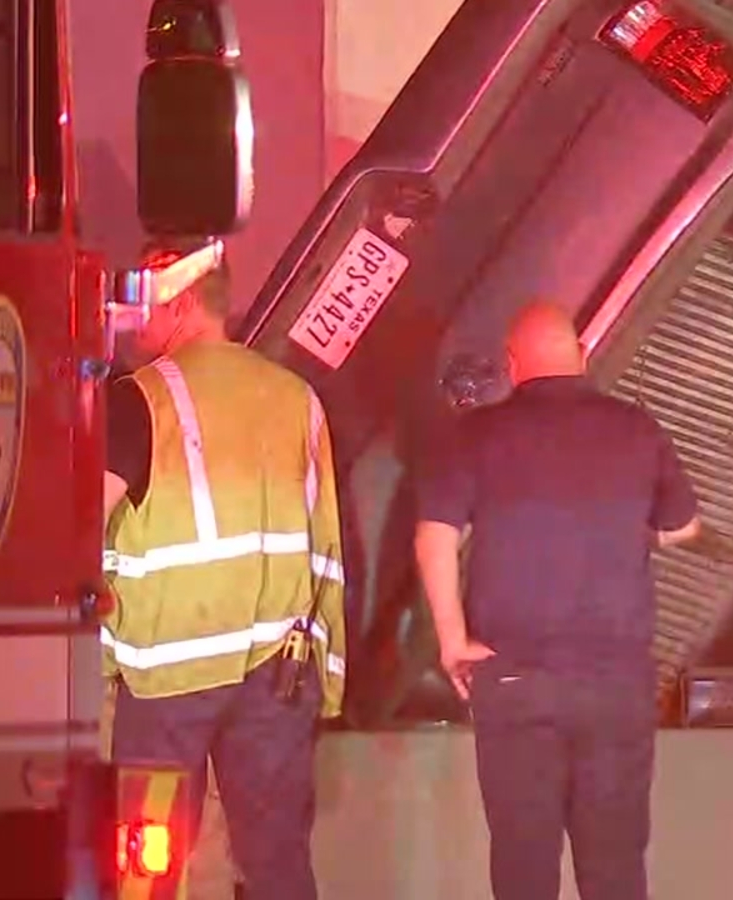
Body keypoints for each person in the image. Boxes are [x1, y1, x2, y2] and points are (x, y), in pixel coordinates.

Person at [414, 301, 701, 900]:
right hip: (615, 685)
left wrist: (453, 642)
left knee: (523, 863)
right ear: (583, 356)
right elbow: (683, 527)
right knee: (615, 866)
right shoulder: (636, 429)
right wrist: (624, 530)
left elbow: (433, 537)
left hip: (513, 678)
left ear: (511, 363)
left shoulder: (477, 435)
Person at [102, 243, 347, 900]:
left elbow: (78, 528)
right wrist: (327, 679)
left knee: (147, 863)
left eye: (143, 307)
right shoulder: (299, 399)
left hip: (166, 677)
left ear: (181, 305)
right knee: (276, 863)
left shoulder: (140, 399)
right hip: (277, 672)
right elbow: (325, 545)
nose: (131, 324)